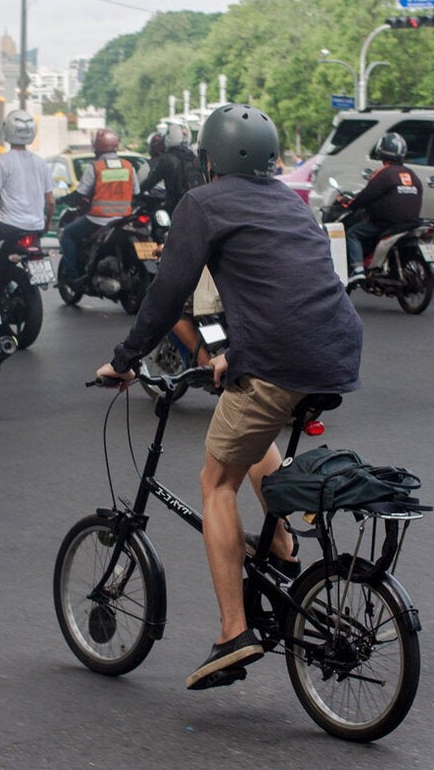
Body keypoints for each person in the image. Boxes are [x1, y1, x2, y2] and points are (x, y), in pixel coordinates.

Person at [95, 103, 363, 691]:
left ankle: (234, 631)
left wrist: (123, 359)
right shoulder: (289, 202)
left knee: (216, 483)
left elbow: (168, 293)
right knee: (245, 416)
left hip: (280, 359)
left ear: (210, 159)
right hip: (334, 351)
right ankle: (284, 546)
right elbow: (284, 287)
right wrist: (233, 356)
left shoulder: (203, 203)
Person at [0, 110, 53, 256]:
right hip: (36, 227)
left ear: (7, 129)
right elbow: (50, 201)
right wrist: (48, 222)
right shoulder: (41, 163)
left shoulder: (2, 161)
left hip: (7, 227)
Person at [56, 128, 138, 283]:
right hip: (124, 220)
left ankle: (72, 275)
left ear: (97, 148)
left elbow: (80, 194)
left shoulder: (96, 167)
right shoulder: (128, 166)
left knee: (68, 234)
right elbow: (136, 191)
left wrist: (63, 199)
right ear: (115, 146)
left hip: (99, 220)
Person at [341, 131, 422, 283]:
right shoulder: (411, 174)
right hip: (411, 221)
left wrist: (350, 204)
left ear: (381, 151)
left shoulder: (384, 173)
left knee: (353, 233)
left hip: (388, 222)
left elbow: (367, 195)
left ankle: (358, 269)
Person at [139, 123, 203, 214]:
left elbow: (151, 181)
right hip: (195, 204)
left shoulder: (167, 159)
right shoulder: (194, 157)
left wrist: (139, 191)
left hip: (176, 205)